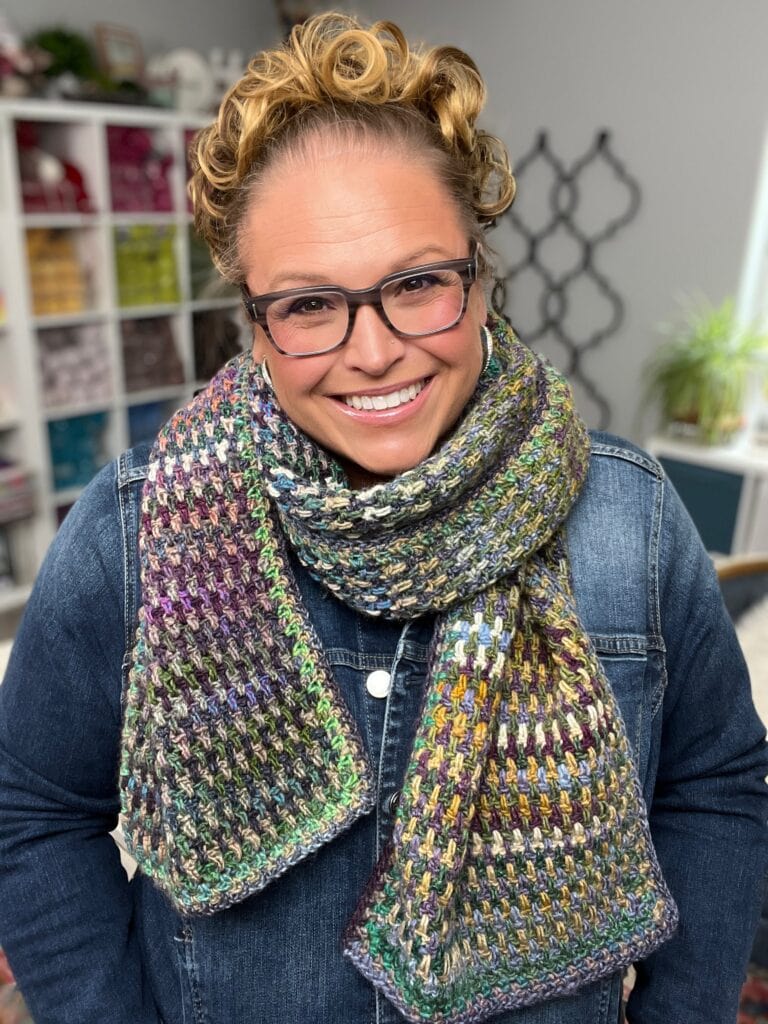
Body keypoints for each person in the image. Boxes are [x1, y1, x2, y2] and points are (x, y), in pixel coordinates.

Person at [0, 13, 766, 1024]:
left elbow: (716, 781)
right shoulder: (136, 534)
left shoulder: (632, 522)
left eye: (416, 283)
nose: (373, 352)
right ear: (254, 322)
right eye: (309, 305)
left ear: (478, 276)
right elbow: (34, 811)